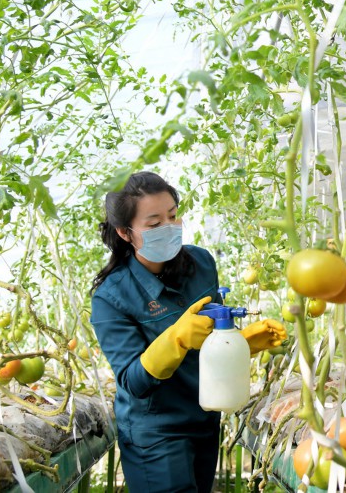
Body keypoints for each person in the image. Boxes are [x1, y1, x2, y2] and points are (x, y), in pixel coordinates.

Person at [90, 171, 286, 492]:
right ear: (126, 233)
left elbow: (211, 340)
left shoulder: (201, 263)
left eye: (172, 216)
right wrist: (175, 339)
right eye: (154, 225)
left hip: (204, 419)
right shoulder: (112, 298)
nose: (168, 228)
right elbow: (133, 382)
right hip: (156, 433)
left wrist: (241, 342)